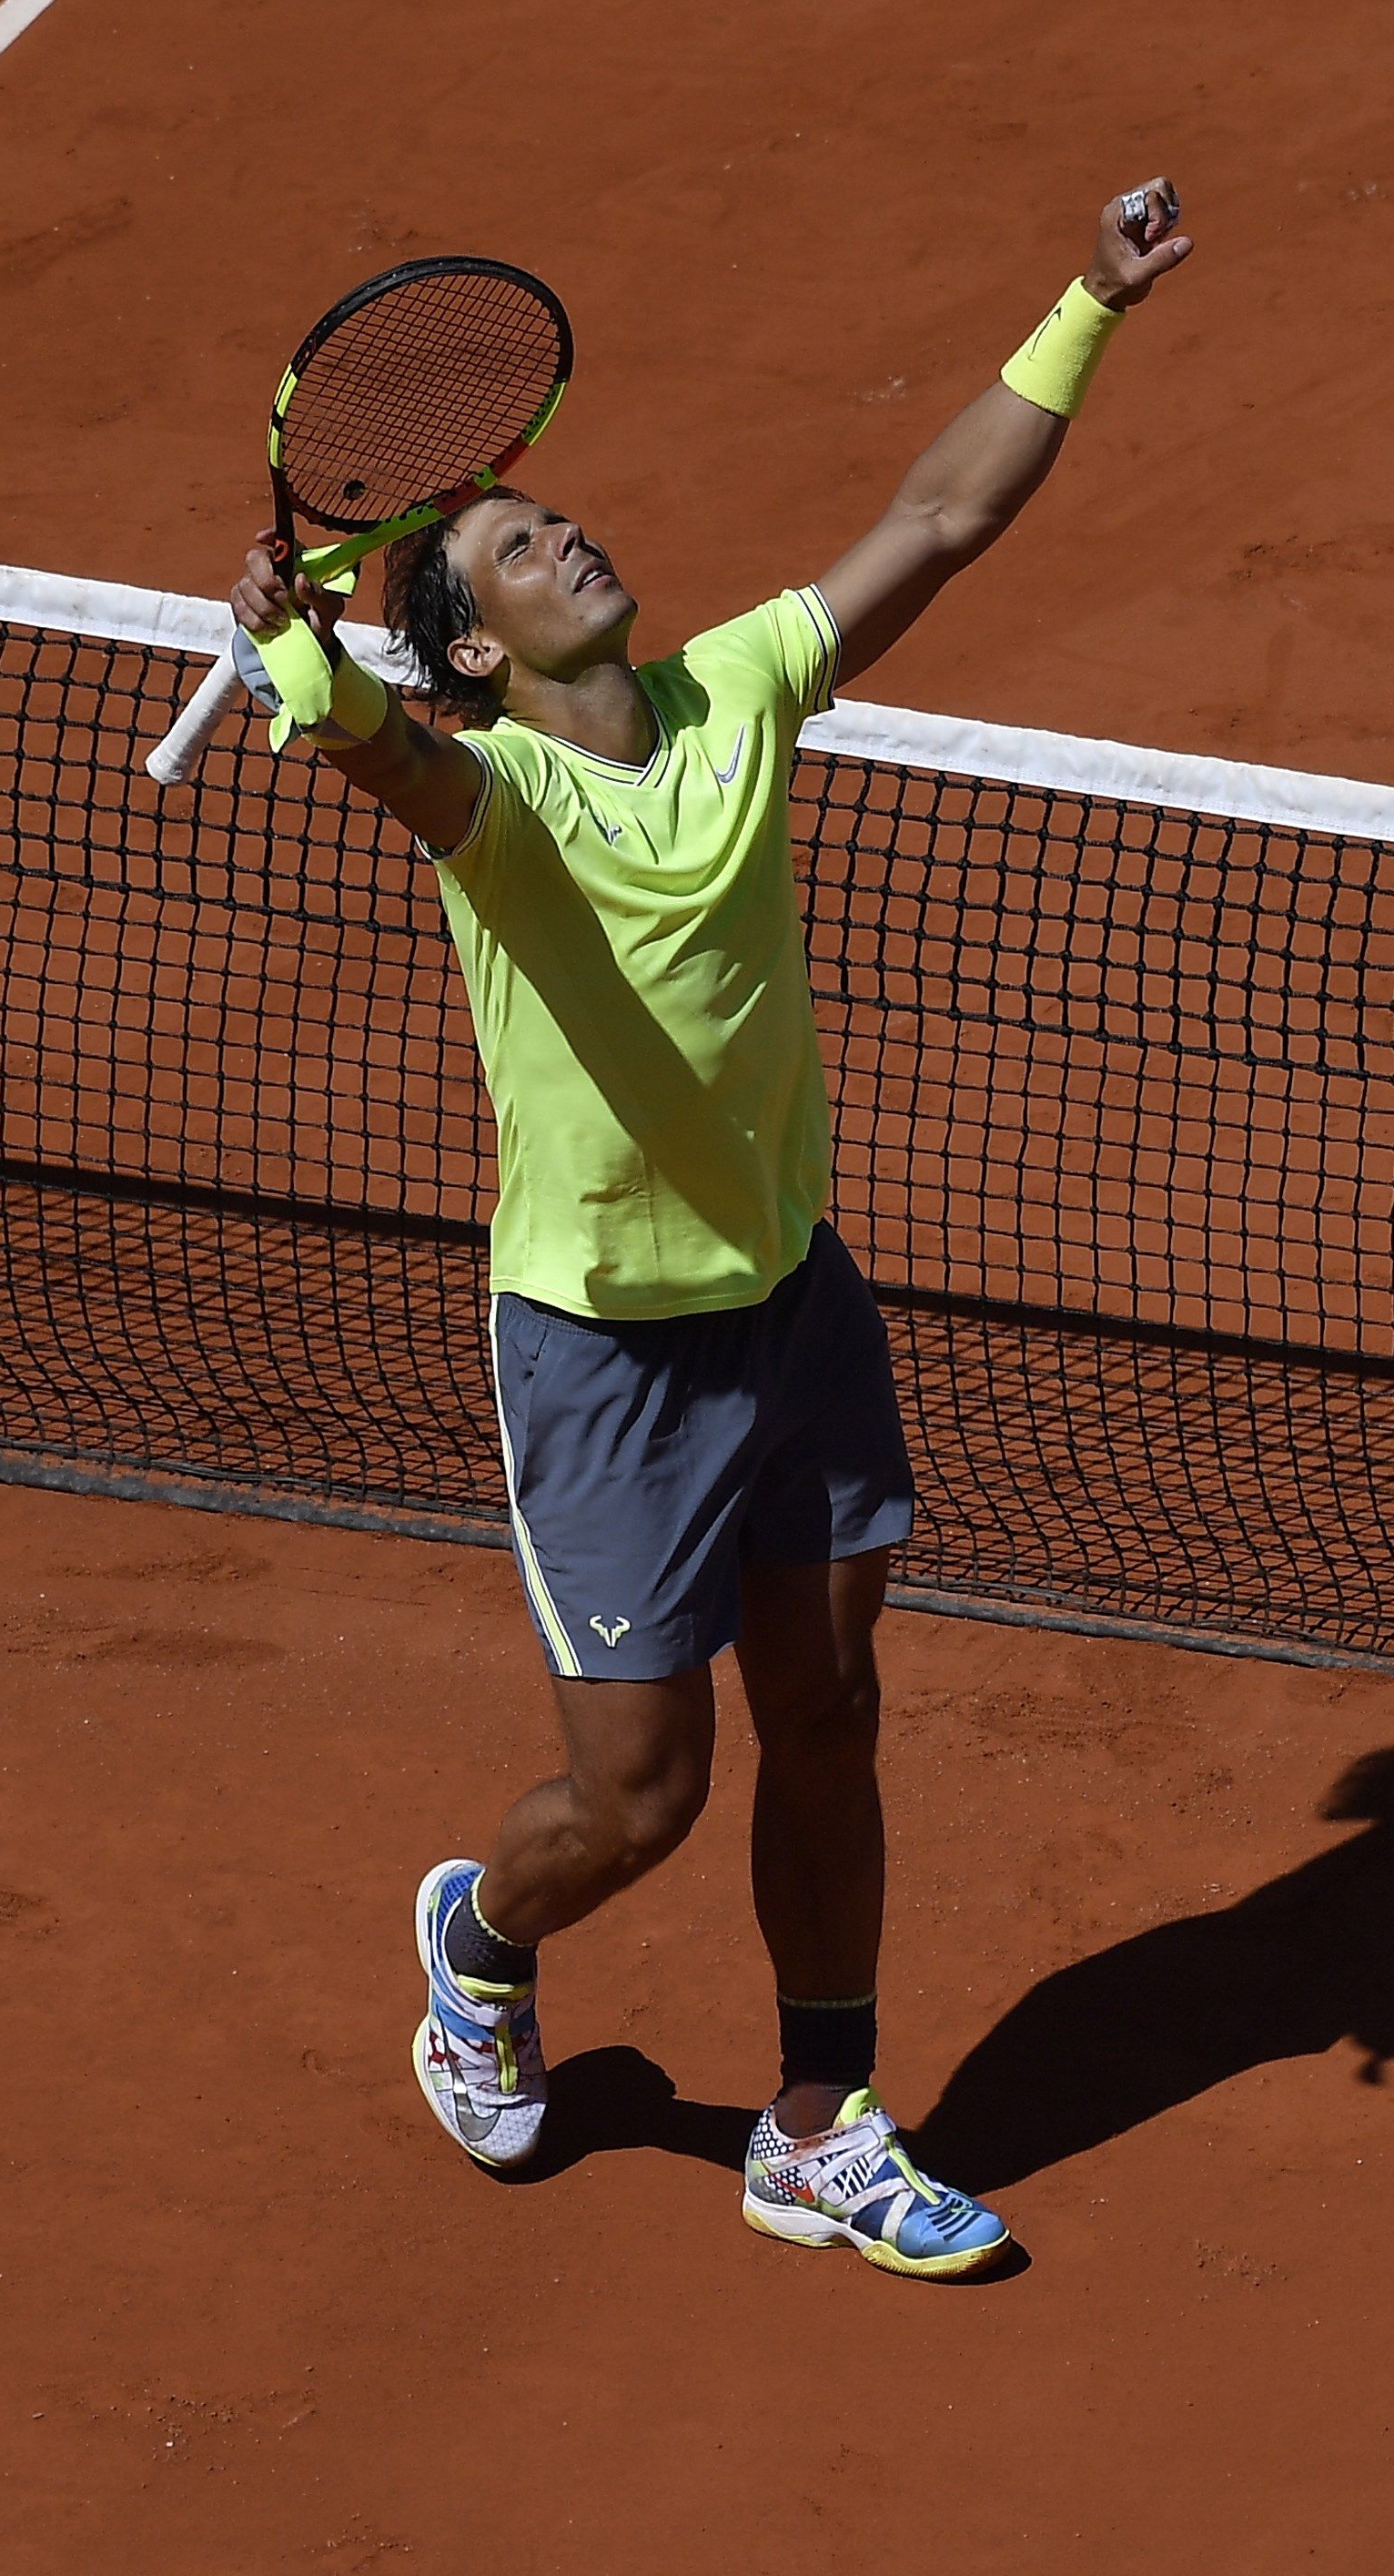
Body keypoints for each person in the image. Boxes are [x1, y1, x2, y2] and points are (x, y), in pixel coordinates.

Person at [224, 182, 1194, 2277]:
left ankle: (822, 2123)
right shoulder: (503, 798)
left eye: (555, 514)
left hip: (792, 1301)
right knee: (638, 1797)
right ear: (478, 642)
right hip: (604, 1351)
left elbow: (940, 518)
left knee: (829, 1708)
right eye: (511, 544)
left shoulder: (739, 689)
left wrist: (1083, 308)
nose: (562, 532)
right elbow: (399, 766)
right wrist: (325, 690)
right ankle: (482, 1938)